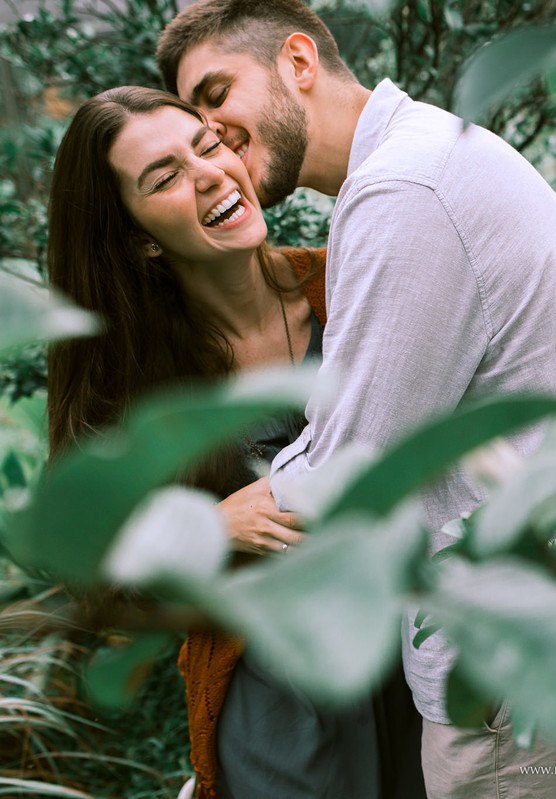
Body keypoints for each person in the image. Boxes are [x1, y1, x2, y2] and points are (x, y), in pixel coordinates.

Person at [156, 2, 556, 797]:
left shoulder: (403, 188)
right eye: (193, 119)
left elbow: (349, 474)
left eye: (215, 95)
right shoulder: (424, 154)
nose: (213, 134)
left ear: (298, 62)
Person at [45, 86, 424, 799]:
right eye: (164, 177)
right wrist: (212, 530)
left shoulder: (350, 288)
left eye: (209, 145)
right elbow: (91, 577)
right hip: (278, 713)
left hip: (417, 663)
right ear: (138, 237)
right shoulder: (139, 386)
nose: (212, 172)